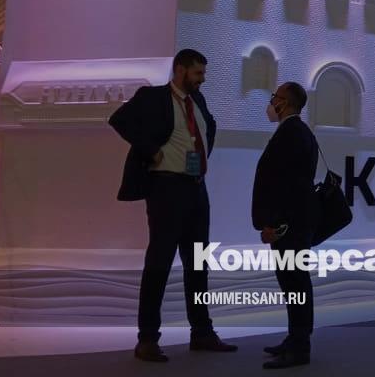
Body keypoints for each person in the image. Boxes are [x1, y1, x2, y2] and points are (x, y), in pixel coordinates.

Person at [109, 49, 237, 362]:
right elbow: (119, 120)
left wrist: (201, 159)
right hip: (166, 188)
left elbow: (207, 129)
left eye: (203, 73)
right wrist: (151, 150)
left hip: (196, 188)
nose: (202, 79)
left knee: (198, 264)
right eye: (198, 73)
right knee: (159, 263)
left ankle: (202, 332)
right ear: (180, 70)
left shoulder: (198, 100)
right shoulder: (153, 97)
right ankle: (147, 339)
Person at [252, 81, 320, 369]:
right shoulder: (297, 132)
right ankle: (295, 339)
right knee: (293, 282)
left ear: (286, 102)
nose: (271, 102)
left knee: (295, 282)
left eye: (275, 97)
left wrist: (275, 224)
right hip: (295, 223)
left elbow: (285, 187)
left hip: (289, 225)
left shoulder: (292, 134)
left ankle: (300, 346)